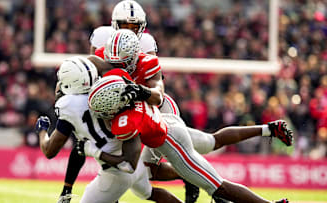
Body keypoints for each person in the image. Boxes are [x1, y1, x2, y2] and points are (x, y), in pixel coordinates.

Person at [86, 70, 291, 203]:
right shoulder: (131, 91)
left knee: (217, 186)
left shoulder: (127, 120)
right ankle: (269, 129)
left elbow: (128, 164)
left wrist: (94, 151)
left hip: (170, 142)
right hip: (170, 122)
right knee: (211, 141)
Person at [36, 56, 182, 203]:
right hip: (135, 161)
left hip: (116, 169)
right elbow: (79, 147)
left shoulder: (69, 107)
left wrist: (42, 130)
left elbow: (50, 150)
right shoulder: (107, 91)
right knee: (150, 193)